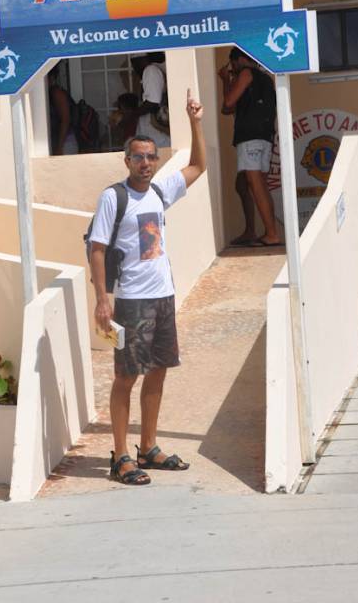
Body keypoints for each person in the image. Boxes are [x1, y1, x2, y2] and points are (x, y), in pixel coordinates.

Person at [89, 89, 206, 485]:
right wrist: (102, 300)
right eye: (138, 157)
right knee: (126, 376)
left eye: (151, 157)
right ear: (127, 161)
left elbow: (198, 166)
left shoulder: (159, 190)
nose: (145, 162)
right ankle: (120, 456)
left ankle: (149, 447)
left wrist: (195, 122)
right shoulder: (113, 198)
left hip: (163, 297)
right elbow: (97, 249)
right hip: (131, 302)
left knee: (158, 370)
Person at [219, 47, 280, 247]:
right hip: (265, 135)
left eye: (233, 64)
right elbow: (228, 109)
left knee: (255, 183)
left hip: (250, 136)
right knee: (251, 183)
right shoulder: (266, 79)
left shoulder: (246, 74)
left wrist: (226, 80)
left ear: (240, 60)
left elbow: (228, 103)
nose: (233, 69)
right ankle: (254, 231)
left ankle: (271, 234)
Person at [131, 52, 170, 148]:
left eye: (134, 63)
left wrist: (130, 115)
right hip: (155, 137)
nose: (134, 67)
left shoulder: (150, 70)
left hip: (156, 138)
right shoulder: (153, 71)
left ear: (143, 60)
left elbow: (152, 103)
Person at [48, 63, 79, 155]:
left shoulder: (57, 93)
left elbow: (65, 120)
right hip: (60, 143)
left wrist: (59, 146)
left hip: (66, 143)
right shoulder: (50, 93)